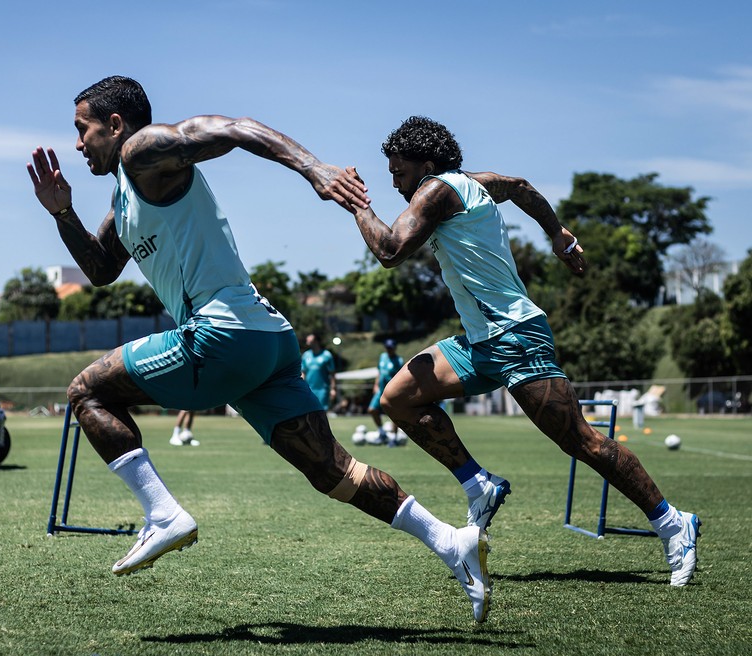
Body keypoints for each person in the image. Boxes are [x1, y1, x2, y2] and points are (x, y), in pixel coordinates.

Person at [27, 76, 492, 622]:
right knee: (333, 472)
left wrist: (312, 167)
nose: (78, 145)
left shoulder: (141, 150)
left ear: (114, 126)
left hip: (222, 332)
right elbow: (101, 270)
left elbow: (235, 129)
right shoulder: (125, 193)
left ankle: (161, 514)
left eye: (82, 130)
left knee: (86, 392)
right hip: (267, 340)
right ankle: (449, 540)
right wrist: (62, 213)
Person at [344, 115, 701, 586]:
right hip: (479, 342)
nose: (395, 184)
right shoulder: (472, 183)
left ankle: (674, 523)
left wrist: (356, 205)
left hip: (515, 336)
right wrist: (557, 234)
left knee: (582, 442)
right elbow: (521, 186)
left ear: (426, 166)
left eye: (399, 174)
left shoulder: (435, 191)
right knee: (398, 397)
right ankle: (480, 485)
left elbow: (390, 249)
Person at [369, 338, 405, 443]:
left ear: (395, 348)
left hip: (392, 392)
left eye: (391, 348)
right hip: (380, 390)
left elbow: (401, 377)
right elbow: (379, 372)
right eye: (387, 348)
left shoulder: (399, 361)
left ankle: (393, 438)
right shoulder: (382, 357)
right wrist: (375, 385)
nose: (389, 350)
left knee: (394, 414)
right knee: (372, 410)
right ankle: (382, 433)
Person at [300, 333, 337, 411]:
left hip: (322, 389)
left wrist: (333, 389)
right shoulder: (306, 355)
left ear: (316, 341)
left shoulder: (327, 355)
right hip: (309, 389)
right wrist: (301, 386)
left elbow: (332, 374)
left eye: (310, 340)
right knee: (309, 412)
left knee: (321, 412)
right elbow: (303, 373)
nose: (308, 342)